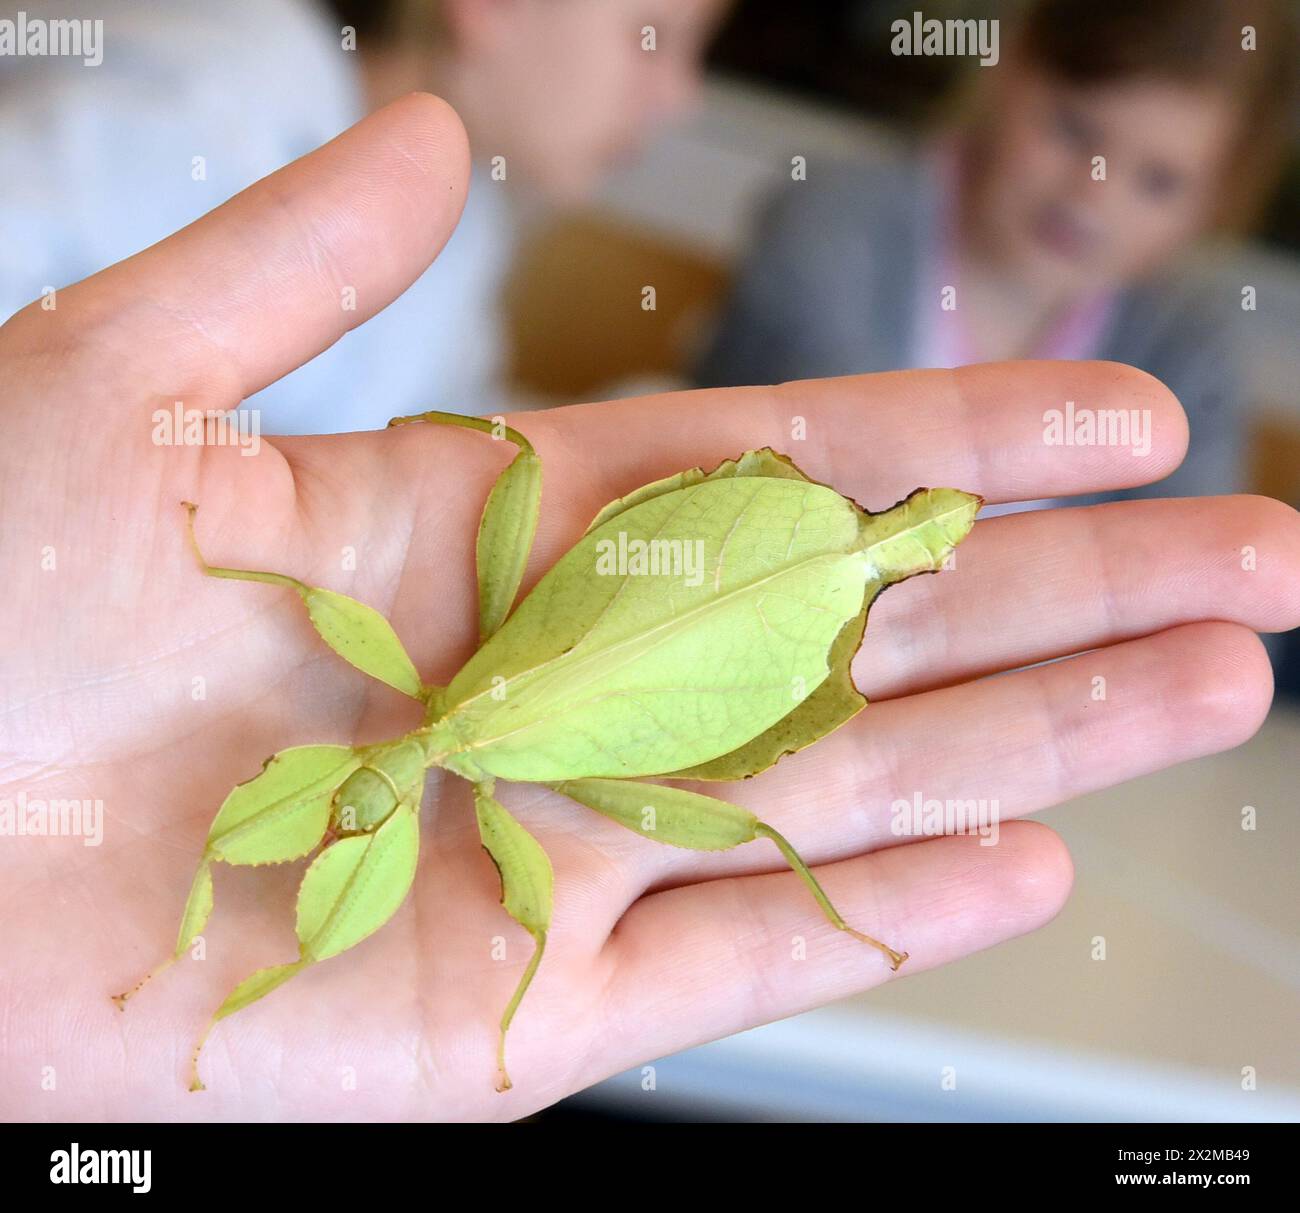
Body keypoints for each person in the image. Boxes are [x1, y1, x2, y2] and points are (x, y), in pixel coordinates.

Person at [2, 94, 1297, 1119]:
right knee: (769, 827)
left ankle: (878, 552)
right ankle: (877, 555)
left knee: (776, 823)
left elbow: (509, 466)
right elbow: (490, 478)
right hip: (751, 584)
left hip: (770, 566)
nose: (357, 801)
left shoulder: (1169, 321)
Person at [0, 0, 724, 433]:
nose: (681, 98)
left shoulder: (467, 220)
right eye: (652, 36)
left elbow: (424, 423)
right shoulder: (210, 102)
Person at [697, 0, 1297, 507]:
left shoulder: (1190, 356)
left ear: (1215, 203)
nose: (1092, 193)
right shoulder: (833, 222)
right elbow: (799, 484)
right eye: (1074, 131)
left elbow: (1213, 589)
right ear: (1004, 69)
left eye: (1158, 181)